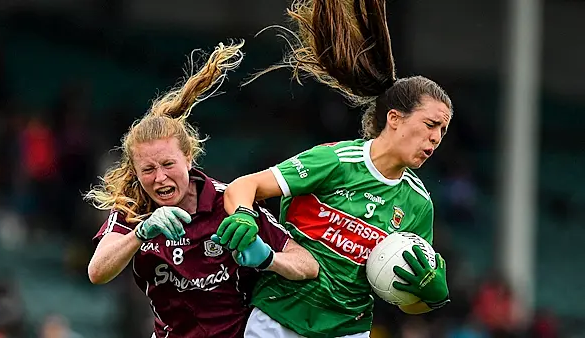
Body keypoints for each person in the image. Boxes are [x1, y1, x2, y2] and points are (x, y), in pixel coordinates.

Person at [213, 1, 452, 337]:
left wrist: (431, 295)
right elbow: (245, 186)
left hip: (346, 330)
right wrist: (241, 214)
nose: (436, 138)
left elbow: (405, 297)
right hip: (278, 318)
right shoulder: (336, 161)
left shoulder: (418, 203)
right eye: (430, 125)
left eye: (442, 130)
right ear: (394, 119)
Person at [85, 40, 319, 338]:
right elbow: (97, 272)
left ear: (189, 158)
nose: (159, 178)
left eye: (168, 164)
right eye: (148, 169)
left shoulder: (231, 202)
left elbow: (307, 264)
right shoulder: (134, 209)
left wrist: (268, 259)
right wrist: (140, 233)